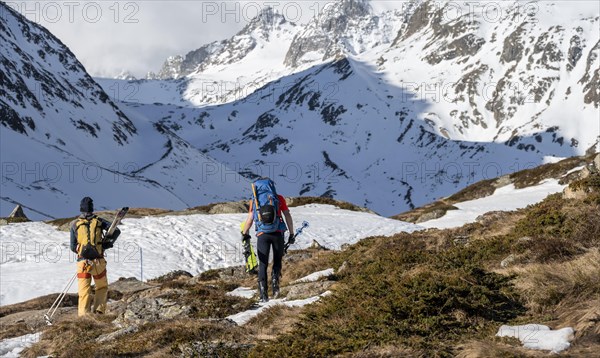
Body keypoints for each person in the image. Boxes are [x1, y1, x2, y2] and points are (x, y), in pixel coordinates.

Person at [242, 178, 294, 302]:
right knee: (277, 260)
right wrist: (291, 233)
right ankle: (275, 286)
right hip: (277, 233)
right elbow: (287, 215)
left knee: (263, 263)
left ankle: (263, 294)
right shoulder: (278, 198)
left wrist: (244, 234)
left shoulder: (255, 200)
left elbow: (250, 219)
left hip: (262, 234)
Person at [69, 197, 120, 316]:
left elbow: (72, 247)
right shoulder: (99, 221)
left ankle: (83, 316)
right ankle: (99, 312)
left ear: (81, 208)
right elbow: (116, 230)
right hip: (98, 261)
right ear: (92, 208)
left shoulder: (74, 224)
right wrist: (106, 244)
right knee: (101, 287)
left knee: (84, 291)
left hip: (83, 263)